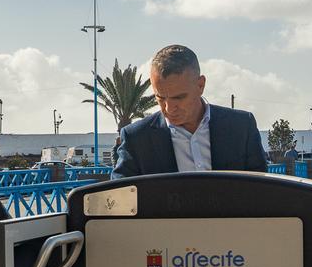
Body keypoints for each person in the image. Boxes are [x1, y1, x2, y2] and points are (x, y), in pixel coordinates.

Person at [112, 45, 267, 177]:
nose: (169, 108)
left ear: (200, 85)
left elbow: (263, 191)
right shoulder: (136, 139)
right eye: (160, 98)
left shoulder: (241, 127)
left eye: (178, 98)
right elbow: (119, 201)